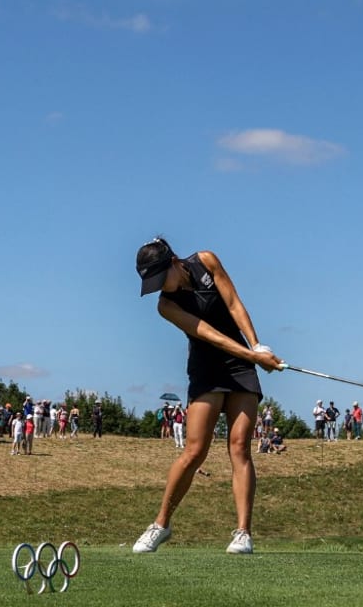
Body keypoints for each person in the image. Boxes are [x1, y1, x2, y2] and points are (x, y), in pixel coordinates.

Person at [131, 237, 282, 555]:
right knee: (194, 452)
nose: (161, 287)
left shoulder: (206, 261)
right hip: (206, 368)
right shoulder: (166, 306)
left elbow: (233, 303)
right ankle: (161, 524)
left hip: (240, 364)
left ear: (173, 262)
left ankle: (243, 533)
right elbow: (208, 334)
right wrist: (253, 357)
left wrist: (257, 346)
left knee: (240, 446)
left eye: (161, 278)